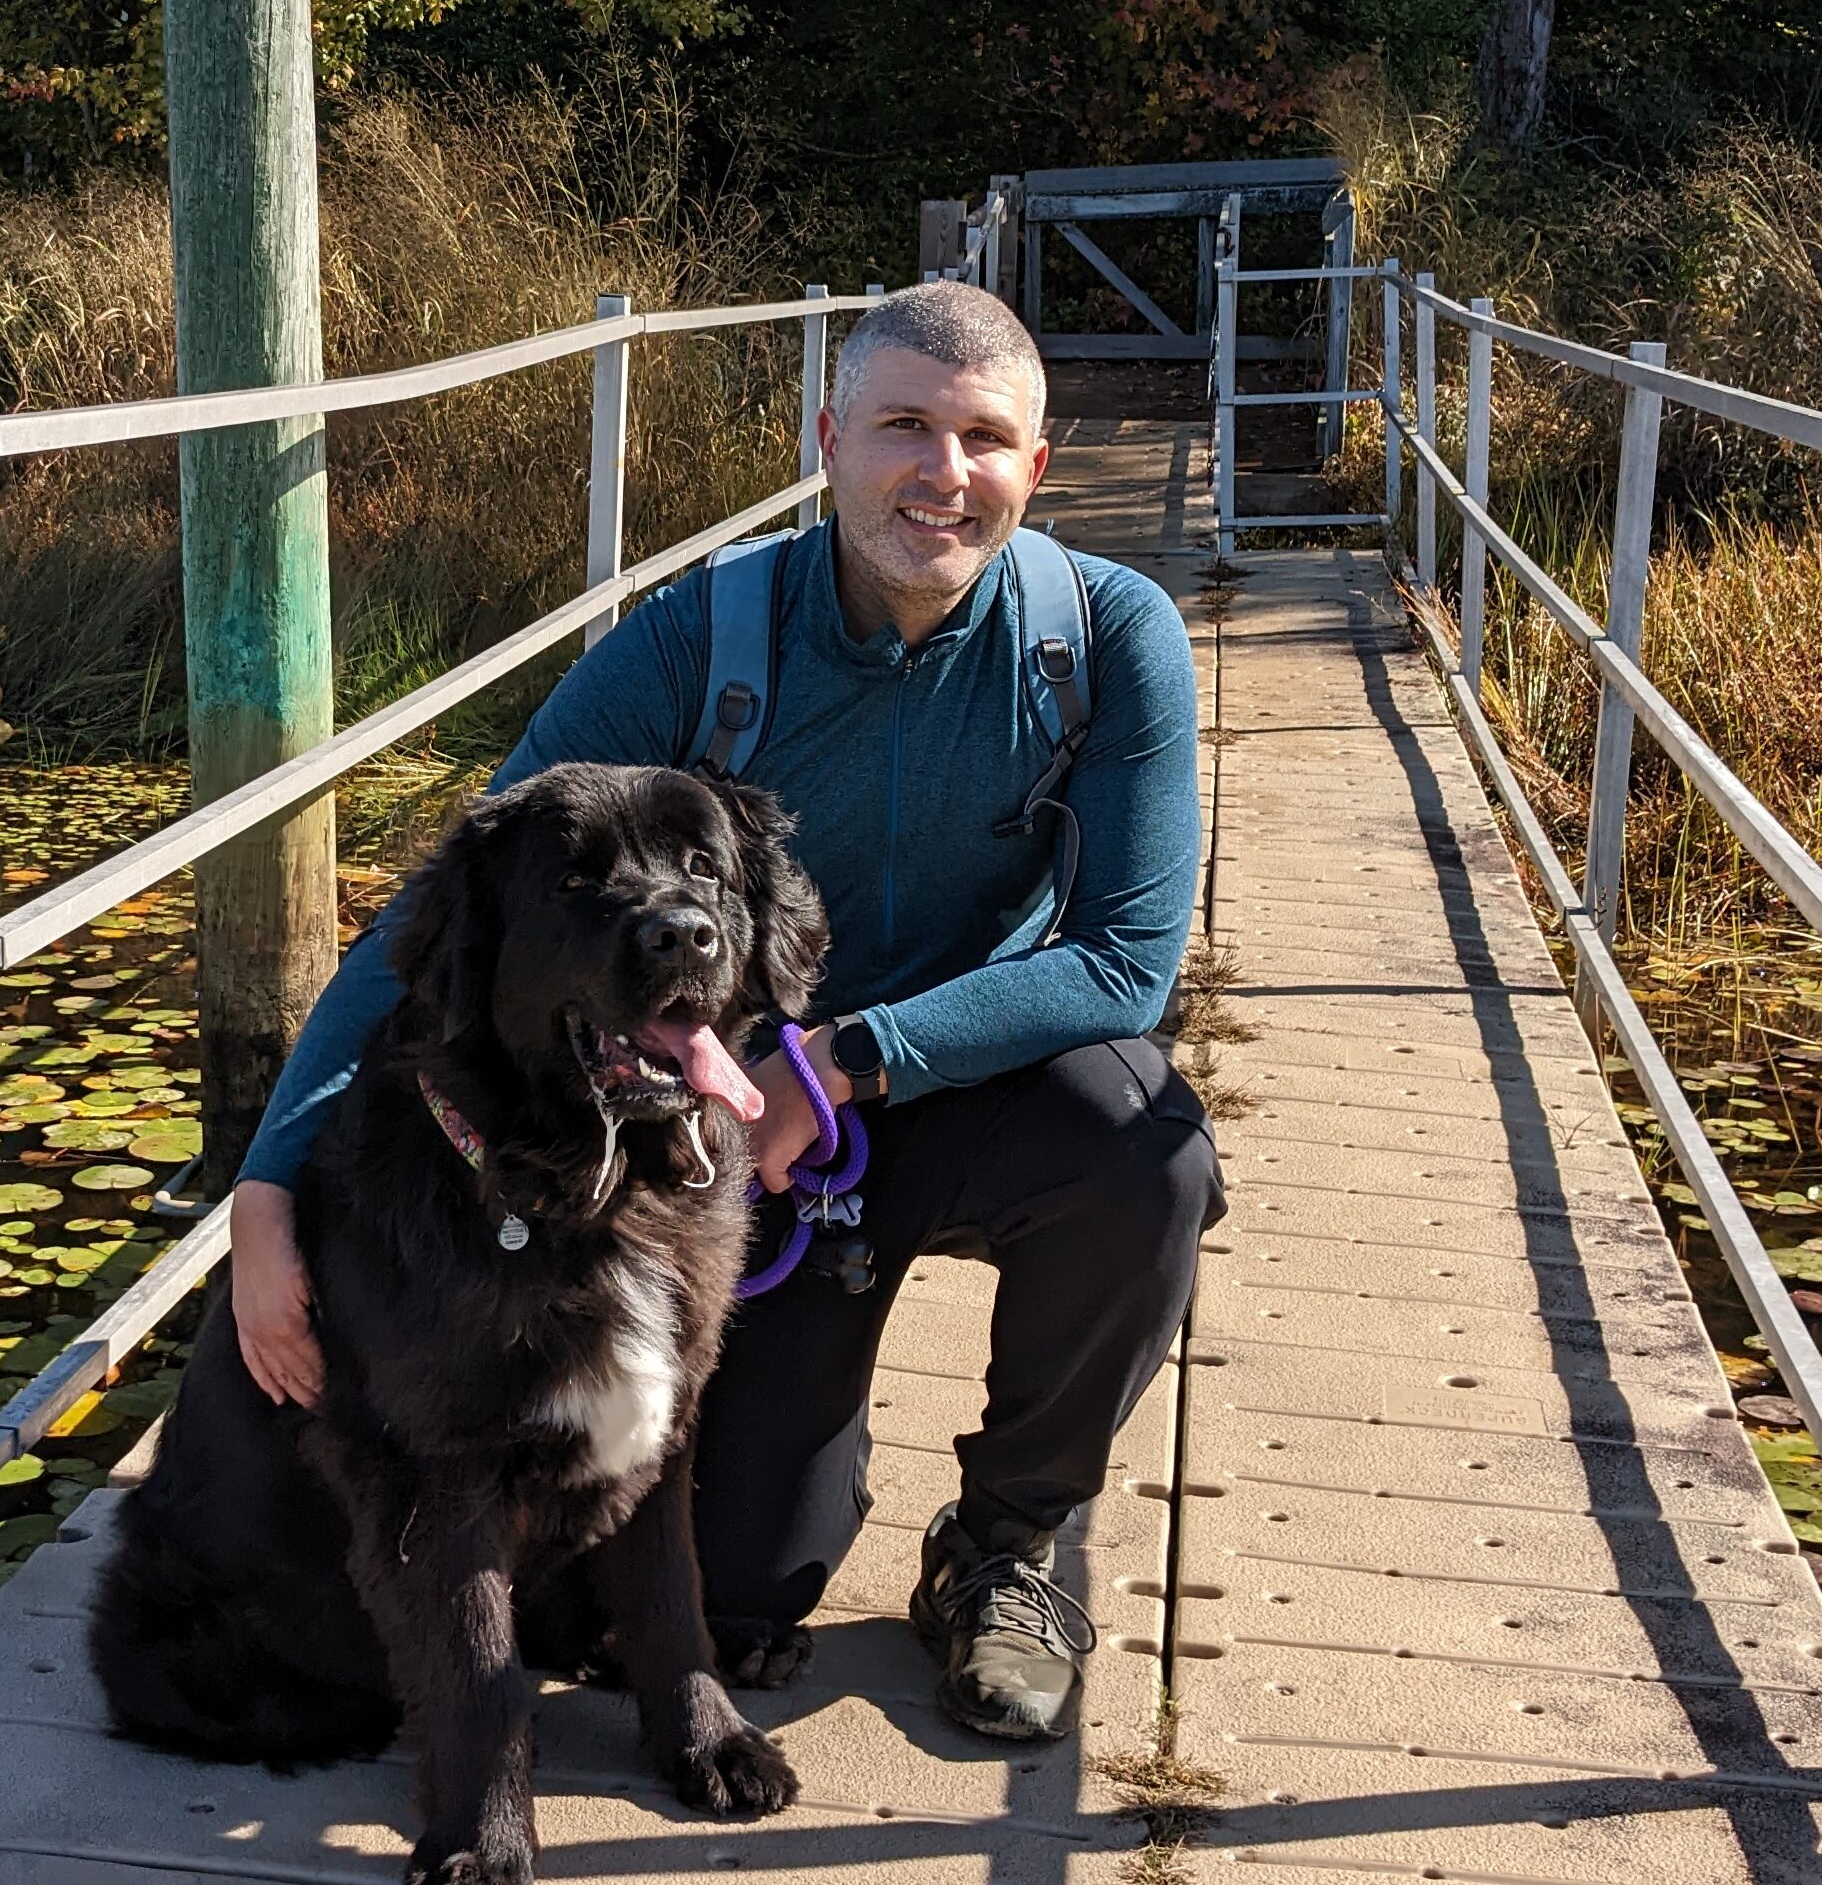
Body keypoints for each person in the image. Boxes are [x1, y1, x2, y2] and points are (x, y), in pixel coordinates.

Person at [227, 280, 1225, 1743]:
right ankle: (806, 1443)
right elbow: (452, 912)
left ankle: (1007, 1545)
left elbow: (1127, 961)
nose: (941, 475)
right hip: (732, 1158)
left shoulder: (1106, 635)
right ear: (826, 436)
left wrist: (847, 1062)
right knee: (742, 1593)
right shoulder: (700, 639)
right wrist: (266, 1185)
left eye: (982, 439)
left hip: (945, 1090)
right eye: (901, 426)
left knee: (1146, 1149)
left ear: (1037, 464)